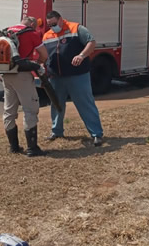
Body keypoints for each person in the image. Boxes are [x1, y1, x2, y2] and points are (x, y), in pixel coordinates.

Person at [36, 11, 104, 146]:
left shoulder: (76, 28)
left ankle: (96, 134)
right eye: (50, 25)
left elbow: (91, 42)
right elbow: (44, 55)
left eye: (54, 24)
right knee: (56, 104)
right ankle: (56, 131)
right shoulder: (47, 36)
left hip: (78, 76)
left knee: (85, 104)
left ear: (61, 19)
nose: (52, 27)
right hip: (56, 77)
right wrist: (41, 65)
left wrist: (81, 55)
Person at [2, 15, 47, 157]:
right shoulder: (32, 33)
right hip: (22, 75)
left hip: (6, 74)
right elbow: (44, 54)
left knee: (9, 110)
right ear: (32, 24)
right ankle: (32, 148)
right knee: (30, 109)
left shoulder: (6, 32)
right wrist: (37, 65)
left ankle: (14, 146)